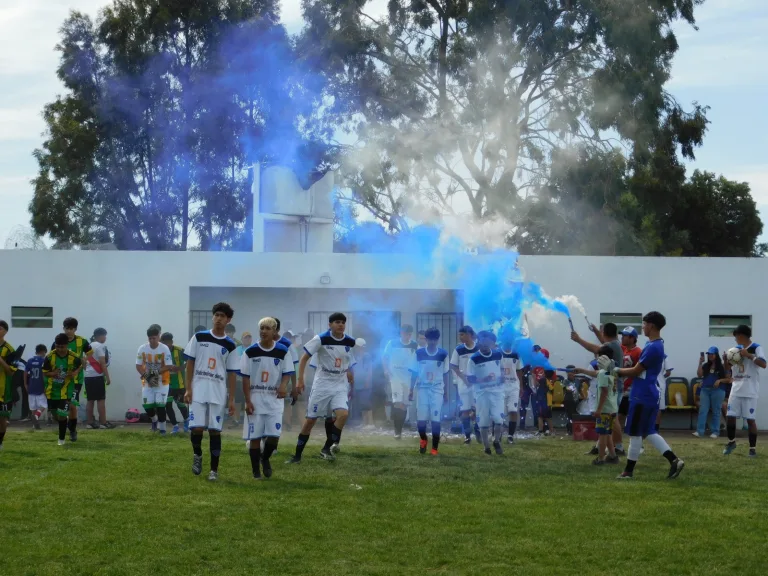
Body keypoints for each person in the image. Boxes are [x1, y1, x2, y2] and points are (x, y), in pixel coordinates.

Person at [613, 311, 684, 480]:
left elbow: (636, 371)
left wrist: (615, 370)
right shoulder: (655, 344)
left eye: (644, 324)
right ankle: (674, 460)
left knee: (635, 433)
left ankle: (628, 472)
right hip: (648, 393)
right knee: (648, 431)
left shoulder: (653, 347)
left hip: (642, 394)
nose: (643, 327)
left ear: (651, 325)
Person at [287, 312, 356, 463]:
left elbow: (349, 360)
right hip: (322, 384)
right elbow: (304, 358)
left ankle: (326, 448)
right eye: (337, 322)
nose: (340, 325)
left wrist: (350, 372)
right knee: (310, 421)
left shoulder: (349, 341)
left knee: (343, 415)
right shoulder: (320, 338)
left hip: (340, 384)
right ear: (330, 325)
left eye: (343, 322)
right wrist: (300, 379)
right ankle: (297, 456)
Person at [184, 303, 240, 481]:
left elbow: (232, 373)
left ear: (228, 320)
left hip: (218, 392)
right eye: (216, 315)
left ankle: (213, 470)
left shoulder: (230, 345)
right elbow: (190, 363)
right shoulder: (199, 337)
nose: (218, 319)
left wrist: (231, 399)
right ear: (212, 316)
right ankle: (197, 455)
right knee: (197, 428)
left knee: (215, 430)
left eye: (222, 316)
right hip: (198, 389)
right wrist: (188, 388)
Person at [240, 317, 293, 479]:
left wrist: (283, 385)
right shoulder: (250, 352)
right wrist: (247, 401)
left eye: (267, 328)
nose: (264, 331)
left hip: (274, 400)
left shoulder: (283, 351)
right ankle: (256, 472)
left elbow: (287, 372)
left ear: (275, 331)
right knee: (255, 438)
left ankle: (265, 459)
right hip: (255, 399)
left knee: (274, 436)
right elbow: (245, 378)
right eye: (261, 328)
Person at [571, 323, 625, 455]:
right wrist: (595, 331)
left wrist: (578, 339)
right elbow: (602, 344)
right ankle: (601, 447)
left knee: (613, 418)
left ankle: (618, 447)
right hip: (615, 386)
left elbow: (596, 349)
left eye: (602, 332)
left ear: (605, 333)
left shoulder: (611, 346)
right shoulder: (615, 344)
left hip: (612, 388)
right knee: (609, 417)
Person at [723, 325, 766, 457]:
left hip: (750, 391)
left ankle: (752, 449)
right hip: (736, 389)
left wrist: (749, 356)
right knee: (730, 417)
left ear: (741, 336)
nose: (735, 339)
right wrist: (725, 360)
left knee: (750, 420)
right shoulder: (734, 350)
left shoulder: (756, 347)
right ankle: (731, 442)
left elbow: (764, 364)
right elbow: (727, 369)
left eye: (736, 336)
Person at [408, 327, 449, 455]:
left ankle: (434, 449)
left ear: (438, 340)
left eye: (434, 339)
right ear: (426, 339)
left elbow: (446, 374)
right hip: (422, 389)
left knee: (435, 419)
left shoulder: (443, 354)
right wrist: (411, 390)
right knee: (421, 422)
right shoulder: (418, 353)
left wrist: (446, 392)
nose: (432, 342)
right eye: (430, 339)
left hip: (437, 390)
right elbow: (414, 373)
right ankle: (423, 439)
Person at [54, 317, 93, 442]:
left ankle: (72, 430)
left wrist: (84, 361)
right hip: (62, 379)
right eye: (67, 328)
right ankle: (64, 427)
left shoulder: (82, 341)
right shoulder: (59, 341)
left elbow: (90, 352)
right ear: (63, 328)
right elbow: (52, 358)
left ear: (75, 329)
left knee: (72, 405)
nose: (69, 331)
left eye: (71, 329)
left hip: (76, 379)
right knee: (61, 406)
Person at [466, 331, 505, 455]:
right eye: (483, 342)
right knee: (483, 422)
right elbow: (470, 378)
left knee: (499, 420)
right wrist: (483, 380)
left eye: (488, 343)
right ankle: (486, 447)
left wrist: (502, 376)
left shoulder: (498, 355)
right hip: (482, 393)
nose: (485, 345)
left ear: (492, 343)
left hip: (497, 392)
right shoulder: (473, 359)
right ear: (479, 342)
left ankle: (496, 441)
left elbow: (502, 368)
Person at [42, 334, 83, 446]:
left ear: (67, 345)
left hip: (66, 389)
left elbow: (80, 365)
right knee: (55, 415)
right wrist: (53, 373)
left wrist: (75, 372)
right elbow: (45, 373)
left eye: (62, 347)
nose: (60, 349)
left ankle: (61, 439)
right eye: (57, 346)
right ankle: (68, 425)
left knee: (62, 414)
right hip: (52, 390)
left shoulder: (74, 357)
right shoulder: (49, 357)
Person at [382, 324, 418, 439]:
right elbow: (385, 357)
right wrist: (386, 370)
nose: (406, 335)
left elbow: (417, 361)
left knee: (404, 405)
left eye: (408, 333)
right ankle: (397, 432)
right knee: (397, 403)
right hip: (395, 377)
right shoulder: (392, 343)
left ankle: (399, 430)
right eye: (404, 333)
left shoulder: (414, 345)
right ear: (401, 333)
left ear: (410, 334)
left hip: (408, 378)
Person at [136, 326, 172, 435]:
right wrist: (148, 377)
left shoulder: (164, 348)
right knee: (147, 406)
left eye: (154, 338)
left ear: (159, 337)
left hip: (162, 381)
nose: (152, 340)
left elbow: (168, 366)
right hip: (148, 380)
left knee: (160, 405)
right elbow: (138, 366)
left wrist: (154, 374)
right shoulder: (142, 348)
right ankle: (154, 420)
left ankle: (163, 430)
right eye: (150, 338)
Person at [450, 325, 480, 445]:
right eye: (459, 335)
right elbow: (454, 366)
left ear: (469, 335)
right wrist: (464, 379)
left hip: (477, 383)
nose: (460, 337)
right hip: (463, 383)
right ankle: (467, 436)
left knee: (478, 409)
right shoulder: (458, 349)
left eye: (462, 334)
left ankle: (478, 430)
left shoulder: (478, 348)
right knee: (465, 410)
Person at [592, 345, 620, 465]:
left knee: (602, 434)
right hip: (612, 408)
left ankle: (600, 458)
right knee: (607, 433)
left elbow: (604, 391)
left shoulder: (603, 373)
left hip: (604, 409)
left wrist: (598, 409)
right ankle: (613, 456)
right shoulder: (613, 371)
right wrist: (581, 370)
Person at [161, 332, 190, 434]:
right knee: (168, 405)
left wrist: (180, 368)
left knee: (180, 404)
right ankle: (175, 426)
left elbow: (190, 361)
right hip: (166, 384)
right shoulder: (160, 352)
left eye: (168, 342)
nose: (166, 345)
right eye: (164, 343)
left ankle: (187, 421)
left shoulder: (180, 350)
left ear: (172, 342)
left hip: (179, 383)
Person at [695, 347, 727, 438]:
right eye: (709, 354)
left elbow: (728, 378)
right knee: (703, 410)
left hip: (718, 390)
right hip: (705, 390)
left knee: (716, 411)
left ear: (716, 355)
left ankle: (715, 432)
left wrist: (719, 380)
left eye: (712, 354)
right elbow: (699, 375)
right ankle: (700, 431)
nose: (710, 356)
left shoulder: (721, 366)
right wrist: (700, 362)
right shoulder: (706, 365)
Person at [85, 328, 113, 430]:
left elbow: (84, 361)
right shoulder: (100, 346)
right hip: (97, 376)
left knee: (90, 400)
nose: (105, 338)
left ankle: (89, 423)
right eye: (105, 336)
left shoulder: (88, 346)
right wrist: (107, 377)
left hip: (88, 376)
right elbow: (102, 363)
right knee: (101, 400)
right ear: (100, 336)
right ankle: (103, 423)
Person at [619, 327, 642, 433]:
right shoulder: (623, 349)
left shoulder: (638, 352)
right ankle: (617, 440)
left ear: (632, 338)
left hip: (631, 390)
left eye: (625, 336)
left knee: (629, 418)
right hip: (622, 389)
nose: (622, 337)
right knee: (619, 416)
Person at [499, 339, 522, 444]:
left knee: (513, 410)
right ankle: (497, 435)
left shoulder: (516, 354)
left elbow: (519, 370)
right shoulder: (498, 353)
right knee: (499, 412)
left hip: (513, 386)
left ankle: (510, 436)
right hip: (501, 387)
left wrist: (521, 387)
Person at [0, 320, 18, 450]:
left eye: (0, 329)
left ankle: (0, 441)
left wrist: (1, 360)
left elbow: (11, 372)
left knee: (2, 419)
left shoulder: (10, 350)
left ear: (5, 331)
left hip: (4, 389)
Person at [24, 345, 48, 430]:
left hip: (31, 386)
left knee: (33, 407)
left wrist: (25, 384)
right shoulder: (44, 361)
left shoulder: (30, 361)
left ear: (36, 351)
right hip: (40, 386)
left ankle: (34, 425)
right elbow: (44, 374)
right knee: (44, 405)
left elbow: (25, 373)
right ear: (44, 351)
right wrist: (46, 386)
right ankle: (37, 416)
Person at [355, 338, 374, 428]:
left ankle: (370, 423)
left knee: (367, 403)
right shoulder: (356, 356)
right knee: (362, 404)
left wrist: (367, 381)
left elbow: (369, 370)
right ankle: (364, 423)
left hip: (365, 383)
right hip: (358, 384)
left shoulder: (367, 356)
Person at [535, 370, 555, 436]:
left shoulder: (543, 380)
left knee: (540, 416)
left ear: (545, 374)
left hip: (543, 401)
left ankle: (540, 431)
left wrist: (533, 377)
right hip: (549, 402)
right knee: (548, 417)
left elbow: (536, 385)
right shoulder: (551, 381)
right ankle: (552, 431)